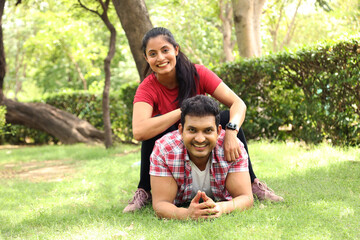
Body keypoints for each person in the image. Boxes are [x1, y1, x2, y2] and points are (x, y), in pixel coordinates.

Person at [123, 27, 283, 213]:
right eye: (153, 54)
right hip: (172, 138)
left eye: (165, 50)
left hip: (203, 134)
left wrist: (231, 131)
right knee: (154, 125)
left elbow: (238, 104)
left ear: (176, 50)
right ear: (146, 58)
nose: (160, 58)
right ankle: (144, 190)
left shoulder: (197, 73)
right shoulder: (147, 87)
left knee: (225, 117)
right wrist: (183, 111)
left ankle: (252, 181)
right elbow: (139, 131)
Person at [150, 95, 253, 219]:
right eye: (192, 130)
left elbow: (245, 197)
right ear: (181, 130)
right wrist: (186, 214)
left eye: (208, 130)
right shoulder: (164, 149)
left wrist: (221, 208)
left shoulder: (233, 147)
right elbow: (160, 204)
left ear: (219, 131)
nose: (200, 139)